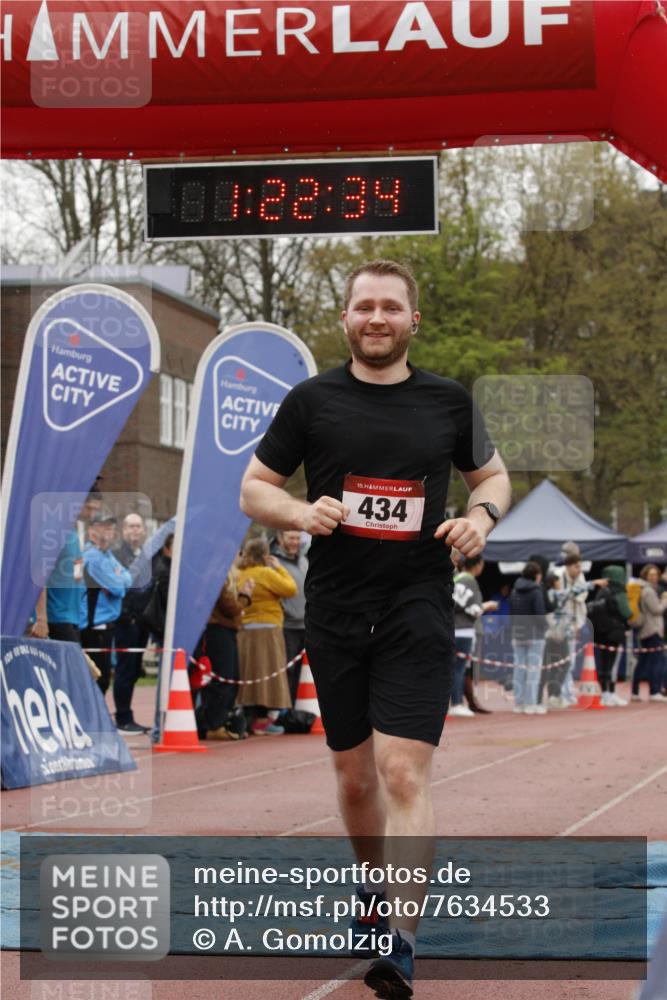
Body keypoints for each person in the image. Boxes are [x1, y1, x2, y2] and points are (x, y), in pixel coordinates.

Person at [240, 258, 511, 997]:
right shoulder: (310, 401)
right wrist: (302, 513)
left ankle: (401, 938)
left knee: (401, 770)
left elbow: (491, 476)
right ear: (346, 319)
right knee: (355, 777)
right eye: (364, 307)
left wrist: (477, 517)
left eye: (391, 307)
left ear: (411, 320)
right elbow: (254, 487)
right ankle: (372, 886)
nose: (377, 318)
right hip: (334, 608)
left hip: (416, 604)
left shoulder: (447, 402)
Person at [235, 537, 297, 735]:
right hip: (268, 627)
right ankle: (262, 719)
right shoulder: (265, 572)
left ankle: (248, 715)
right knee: (267, 675)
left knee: (249, 673)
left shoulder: (241, 573)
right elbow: (290, 589)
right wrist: (279, 568)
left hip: (246, 628)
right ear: (264, 555)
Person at [193, 571, 254, 740]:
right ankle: (214, 724)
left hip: (224, 629)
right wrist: (245, 595)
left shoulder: (222, 573)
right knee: (223, 678)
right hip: (218, 630)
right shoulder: (216, 574)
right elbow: (230, 607)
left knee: (230, 678)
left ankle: (221, 721)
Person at [79, 511, 132, 695]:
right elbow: (118, 588)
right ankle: (90, 720)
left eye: (110, 527)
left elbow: (127, 579)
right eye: (103, 527)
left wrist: (118, 580)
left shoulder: (107, 555)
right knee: (97, 679)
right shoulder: (92, 557)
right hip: (94, 625)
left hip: (106, 624)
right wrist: (117, 581)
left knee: (103, 678)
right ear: (92, 530)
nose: (108, 531)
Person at [113, 513, 152, 733]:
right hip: (125, 620)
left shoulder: (148, 555)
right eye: (131, 526)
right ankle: (122, 717)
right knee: (125, 669)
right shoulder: (117, 555)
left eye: (138, 526)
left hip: (143, 621)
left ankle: (127, 714)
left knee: (135, 669)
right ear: (123, 530)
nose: (135, 531)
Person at [451, 555, 497, 717]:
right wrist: (488, 605)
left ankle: (458, 702)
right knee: (460, 669)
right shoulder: (470, 581)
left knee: (455, 668)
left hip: (451, 628)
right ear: (477, 565)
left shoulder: (456, 578)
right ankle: (456, 703)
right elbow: (474, 610)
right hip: (464, 629)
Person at [270, 529, 309, 703]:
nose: (295, 542)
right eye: (291, 538)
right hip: (286, 625)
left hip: (306, 625)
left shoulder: (303, 559)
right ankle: (283, 711)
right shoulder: (273, 562)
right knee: (287, 670)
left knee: (304, 672)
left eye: (297, 538)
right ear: (280, 538)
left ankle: (297, 711)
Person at [587, 565, 632, 706]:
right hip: (615, 633)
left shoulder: (601, 592)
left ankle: (605, 693)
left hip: (600, 633)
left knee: (603, 664)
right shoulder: (619, 592)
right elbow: (627, 613)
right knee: (612, 666)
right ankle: (611, 693)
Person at [509, 561, 548, 714]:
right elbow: (540, 615)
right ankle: (531, 703)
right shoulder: (536, 591)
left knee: (519, 668)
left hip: (517, 633)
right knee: (533, 670)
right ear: (537, 576)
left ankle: (519, 703)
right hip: (535, 635)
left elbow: (511, 613)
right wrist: (546, 628)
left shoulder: (514, 591)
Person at [632, 564, 667, 702]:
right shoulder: (648, 591)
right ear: (645, 575)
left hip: (646, 630)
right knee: (656, 661)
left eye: (656, 575)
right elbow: (657, 609)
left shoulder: (645, 589)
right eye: (651, 575)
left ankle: (635, 691)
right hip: (652, 629)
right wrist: (665, 600)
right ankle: (654, 690)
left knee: (643, 661)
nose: (654, 577)